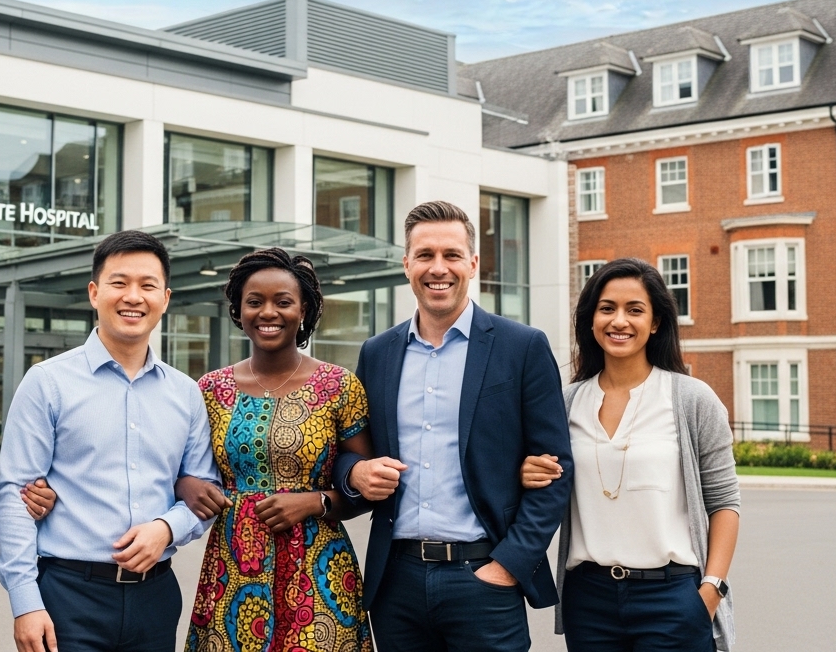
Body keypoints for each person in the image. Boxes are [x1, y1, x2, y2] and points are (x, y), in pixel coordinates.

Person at [334, 200, 573, 652]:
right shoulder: (377, 353)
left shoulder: (522, 347)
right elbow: (349, 450)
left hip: (483, 578)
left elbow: (556, 469)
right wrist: (355, 474)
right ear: (407, 265)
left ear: (473, 263)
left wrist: (508, 566)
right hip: (396, 581)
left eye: (451, 255)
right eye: (424, 255)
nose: (437, 268)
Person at [0, 230, 219, 652]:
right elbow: (14, 494)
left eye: (147, 285)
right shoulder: (48, 383)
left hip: (156, 598)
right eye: (119, 283)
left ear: (165, 299)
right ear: (95, 293)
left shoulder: (186, 393)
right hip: (67, 597)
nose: (133, 296)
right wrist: (25, 602)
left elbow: (205, 492)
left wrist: (166, 529)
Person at [519, 257, 740, 651]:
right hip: (589, 599)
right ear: (590, 319)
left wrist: (711, 590)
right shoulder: (565, 403)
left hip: (673, 597)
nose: (619, 321)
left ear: (655, 323)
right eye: (607, 309)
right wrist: (527, 473)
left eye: (634, 310)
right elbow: (544, 479)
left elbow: (724, 502)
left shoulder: (692, 399)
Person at [172, 248, 375, 651]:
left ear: (304, 311)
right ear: (239, 311)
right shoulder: (210, 389)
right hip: (233, 569)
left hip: (318, 573)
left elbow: (365, 487)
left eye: (283, 302)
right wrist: (184, 486)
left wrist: (313, 502)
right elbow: (177, 467)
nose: (268, 312)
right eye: (255, 302)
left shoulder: (340, 386)